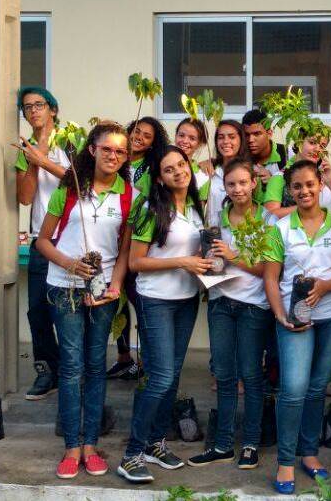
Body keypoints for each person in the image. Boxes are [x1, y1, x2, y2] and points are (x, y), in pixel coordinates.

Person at [35, 121, 132, 479]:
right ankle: (71, 447)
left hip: (102, 292)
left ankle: (90, 444)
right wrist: (71, 265)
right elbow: (42, 241)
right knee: (72, 366)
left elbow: (123, 251)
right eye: (107, 148)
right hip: (65, 287)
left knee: (95, 366)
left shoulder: (127, 194)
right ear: (92, 150)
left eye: (120, 151)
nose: (113, 156)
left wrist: (115, 286)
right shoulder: (71, 187)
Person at [263, 160, 331, 494]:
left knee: (317, 387)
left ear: (320, 185)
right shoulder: (281, 227)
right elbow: (271, 277)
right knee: (293, 389)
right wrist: (279, 315)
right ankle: (286, 461)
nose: (304, 191)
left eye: (309, 184)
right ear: (289, 190)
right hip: (295, 319)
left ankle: (309, 453)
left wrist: (326, 287)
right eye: (297, 186)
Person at [117, 146, 210, 484]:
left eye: (181, 165)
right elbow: (135, 262)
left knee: (171, 375)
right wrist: (183, 262)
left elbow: (194, 251)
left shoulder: (197, 208)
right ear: (159, 177)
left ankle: (155, 443)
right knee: (160, 377)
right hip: (156, 300)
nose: (178, 172)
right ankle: (131, 454)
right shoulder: (149, 208)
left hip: (186, 299)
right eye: (169, 169)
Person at [188, 158, 273, 470]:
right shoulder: (217, 221)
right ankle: (222, 444)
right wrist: (207, 263)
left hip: (254, 306)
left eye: (243, 182)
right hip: (221, 302)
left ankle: (250, 443)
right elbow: (211, 263)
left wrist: (234, 257)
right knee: (224, 375)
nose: (237, 189)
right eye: (231, 184)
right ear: (224, 187)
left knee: (251, 376)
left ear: (254, 183)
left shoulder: (267, 219)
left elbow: (268, 268)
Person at [14, 86, 71, 401]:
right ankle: (48, 370)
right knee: (37, 310)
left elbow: (81, 182)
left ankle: (72, 370)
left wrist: (46, 158)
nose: (33, 110)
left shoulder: (71, 141)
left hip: (71, 238)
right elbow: (24, 197)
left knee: (69, 309)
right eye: (27, 107)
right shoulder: (24, 149)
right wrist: (34, 158)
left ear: (52, 109)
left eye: (39, 104)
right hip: (40, 238)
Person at [107, 116, 170, 381]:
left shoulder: (152, 167)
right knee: (115, 301)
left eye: (147, 135)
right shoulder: (116, 160)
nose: (139, 137)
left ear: (153, 143)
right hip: (110, 234)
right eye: (136, 131)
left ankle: (146, 361)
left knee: (139, 300)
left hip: (138, 238)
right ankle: (123, 357)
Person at [263, 131, 331, 219]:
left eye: (322, 146)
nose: (318, 149)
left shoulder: (327, 173)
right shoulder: (279, 177)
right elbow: (269, 216)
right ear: (299, 143)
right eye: (312, 142)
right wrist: (309, 208)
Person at [198, 119, 248, 228]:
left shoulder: (250, 172)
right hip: (212, 236)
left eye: (231, 137)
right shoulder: (209, 171)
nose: (226, 141)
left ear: (241, 140)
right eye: (221, 137)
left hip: (241, 235)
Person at [241, 109, 287, 193]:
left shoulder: (287, 154)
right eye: (247, 135)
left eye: (257, 134)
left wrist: (273, 182)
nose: (250, 140)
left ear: (269, 134)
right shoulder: (240, 157)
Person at [174, 117, 211, 194]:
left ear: (200, 144)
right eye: (181, 135)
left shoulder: (202, 176)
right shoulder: (161, 166)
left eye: (192, 138)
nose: (185, 141)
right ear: (176, 136)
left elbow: (200, 206)